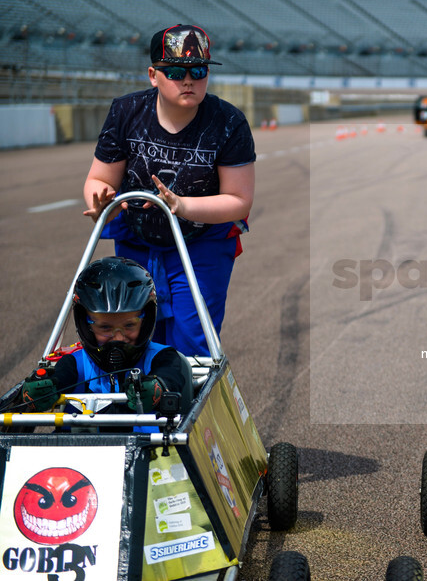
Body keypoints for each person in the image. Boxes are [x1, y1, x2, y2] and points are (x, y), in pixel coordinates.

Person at [83, 24, 256, 357]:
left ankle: (187, 398)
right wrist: (102, 200)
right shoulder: (126, 112)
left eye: (198, 71)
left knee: (193, 340)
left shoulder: (229, 123)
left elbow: (239, 200)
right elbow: (99, 179)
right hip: (136, 238)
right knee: (134, 334)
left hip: (201, 242)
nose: (188, 80)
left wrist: (183, 205)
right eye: (175, 71)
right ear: (153, 74)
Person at [18, 257, 193, 424]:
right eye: (105, 328)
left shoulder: (163, 357)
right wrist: (44, 389)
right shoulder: (76, 363)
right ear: (86, 326)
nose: (118, 337)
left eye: (129, 325)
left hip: (150, 448)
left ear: (145, 321)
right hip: (83, 449)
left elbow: (170, 376)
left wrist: (158, 386)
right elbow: (61, 378)